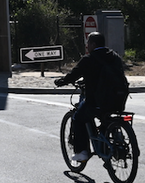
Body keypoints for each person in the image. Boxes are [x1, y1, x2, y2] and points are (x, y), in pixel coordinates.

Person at [54, 31, 128, 163]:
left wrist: (61, 81)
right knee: (105, 117)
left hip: (97, 101)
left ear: (93, 44)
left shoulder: (89, 59)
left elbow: (74, 74)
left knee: (78, 117)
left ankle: (82, 152)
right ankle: (110, 141)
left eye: (88, 42)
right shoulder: (115, 56)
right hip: (118, 99)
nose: (86, 45)